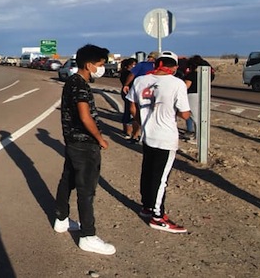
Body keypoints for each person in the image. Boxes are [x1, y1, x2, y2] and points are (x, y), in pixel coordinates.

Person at [53, 44, 116, 255]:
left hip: (72, 142)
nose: (102, 68)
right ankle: (88, 235)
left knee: (68, 180)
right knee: (86, 190)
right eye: (100, 64)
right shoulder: (80, 85)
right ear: (89, 65)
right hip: (84, 144)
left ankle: (61, 220)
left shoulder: (71, 81)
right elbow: (84, 114)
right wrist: (100, 138)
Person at [126, 51, 191, 234]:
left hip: (148, 135)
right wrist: (182, 114)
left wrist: (140, 120)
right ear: (174, 67)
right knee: (161, 178)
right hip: (166, 137)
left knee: (147, 172)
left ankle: (147, 206)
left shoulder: (140, 81)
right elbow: (184, 113)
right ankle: (157, 217)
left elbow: (132, 104)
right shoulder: (177, 83)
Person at [123, 51, 159, 143]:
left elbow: (132, 74)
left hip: (141, 91)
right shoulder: (159, 67)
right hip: (156, 92)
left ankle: (135, 136)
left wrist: (126, 84)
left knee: (137, 113)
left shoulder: (142, 65)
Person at [181, 55, 214, 142]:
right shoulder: (206, 74)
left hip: (192, 96)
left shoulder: (191, 75)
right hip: (203, 95)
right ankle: (198, 136)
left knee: (195, 117)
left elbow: (185, 86)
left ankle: (198, 138)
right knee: (201, 117)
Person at [118, 58, 138, 139]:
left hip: (126, 93)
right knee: (129, 112)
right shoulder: (128, 73)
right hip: (128, 93)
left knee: (128, 111)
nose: (135, 66)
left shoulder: (124, 72)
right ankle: (128, 132)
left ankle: (126, 131)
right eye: (133, 64)